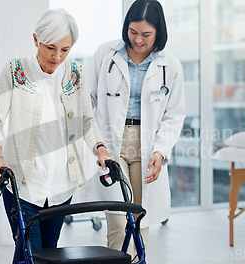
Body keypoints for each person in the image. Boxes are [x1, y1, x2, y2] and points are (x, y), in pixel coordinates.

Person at [0, 9, 113, 253]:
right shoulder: (15, 70)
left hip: (62, 187)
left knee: (49, 252)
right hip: (22, 184)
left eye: (65, 49)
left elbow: (86, 119)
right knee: (28, 251)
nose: (57, 56)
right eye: (50, 47)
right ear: (36, 40)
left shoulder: (76, 73)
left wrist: (101, 150)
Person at [86, 0, 185, 258]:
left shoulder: (170, 64)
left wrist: (161, 151)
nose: (138, 40)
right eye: (133, 32)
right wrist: (97, 144)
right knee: (118, 224)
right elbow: (86, 102)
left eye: (146, 34)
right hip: (111, 142)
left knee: (140, 221)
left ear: (159, 32)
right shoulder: (105, 54)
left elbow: (174, 115)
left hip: (148, 143)